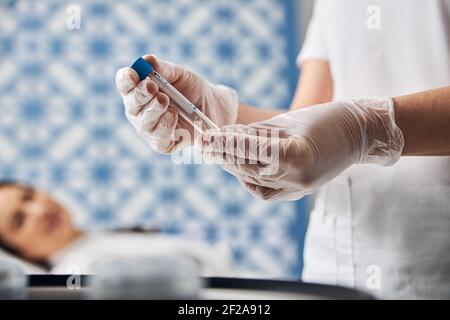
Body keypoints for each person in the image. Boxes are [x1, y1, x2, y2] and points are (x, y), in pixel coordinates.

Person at [115, 0, 450, 299]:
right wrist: (221, 112)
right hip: (333, 270)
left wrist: (369, 128)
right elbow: (308, 118)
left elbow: (342, 128)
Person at [0, 182, 234, 275]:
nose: (38, 210)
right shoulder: (76, 275)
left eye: (29, 196)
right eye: (19, 220)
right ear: (22, 254)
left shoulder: (102, 240)